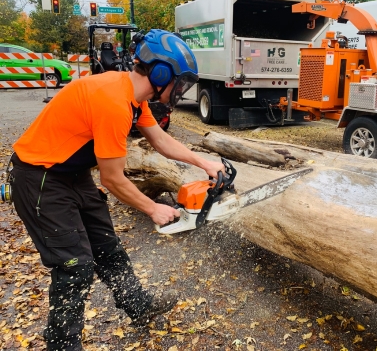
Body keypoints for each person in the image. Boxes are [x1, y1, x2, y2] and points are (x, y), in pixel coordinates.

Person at [9, 29, 224, 351]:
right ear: (161, 73)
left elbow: (161, 140)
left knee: (106, 246)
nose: (181, 90)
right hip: (39, 178)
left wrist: (203, 162)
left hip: (73, 175)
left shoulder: (133, 97)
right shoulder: (114, 102)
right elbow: (112, 179)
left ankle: (137, 305)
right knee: (75, 267)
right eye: (180, 83)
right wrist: (153, 208)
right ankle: (61, 344)